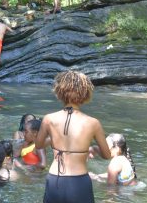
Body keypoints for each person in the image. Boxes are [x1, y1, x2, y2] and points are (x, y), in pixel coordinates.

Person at [35, 70, 112, 203]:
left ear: (60, 92)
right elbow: (107, 155)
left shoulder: (48, 119)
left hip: (55, 180)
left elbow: (38, 145)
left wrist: (54, 139)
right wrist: (92, 148)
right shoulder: (93, 123)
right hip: (79, 182)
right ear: (85, 93)